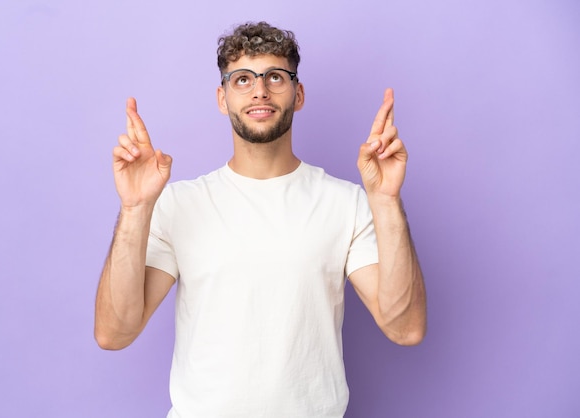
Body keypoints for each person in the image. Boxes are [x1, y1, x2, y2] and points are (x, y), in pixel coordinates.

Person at [95, 21, 426, 418]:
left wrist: (386, 200)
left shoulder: (347, 203)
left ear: (297, 93)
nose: (260, 90)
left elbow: (405, 328)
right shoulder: (178, 204)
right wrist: (134, 209)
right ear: (222, 98)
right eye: (242, 79)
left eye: (274, 76)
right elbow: (114, 332)